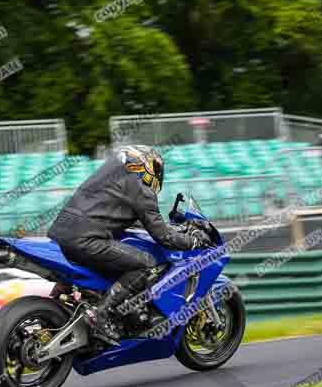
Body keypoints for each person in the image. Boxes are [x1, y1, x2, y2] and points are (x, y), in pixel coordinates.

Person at [48, 145, 212, 343]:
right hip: (86, 240)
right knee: (146, 264)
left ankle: (57, 302)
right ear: (146, 166)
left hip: (61, 234)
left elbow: (116, 213)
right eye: (157, 170)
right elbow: (163, 237)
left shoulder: (105, 177)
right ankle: (102, 313)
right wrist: (193, 241)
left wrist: (165, 225)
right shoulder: (141, 190)